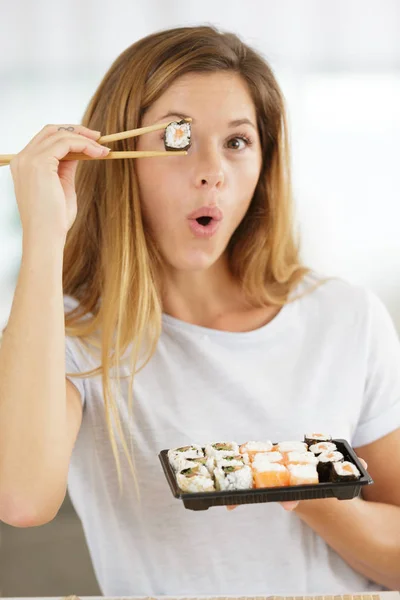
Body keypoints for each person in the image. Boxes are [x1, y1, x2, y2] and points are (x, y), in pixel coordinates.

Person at [0, 24, 399, 597]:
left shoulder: (345, 316)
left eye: (237, 141)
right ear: (118, 158)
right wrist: (44, 233)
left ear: (265, 163)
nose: (212, 170)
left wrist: (301, 491)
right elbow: (21, 500)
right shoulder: (66, 335)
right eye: (177, 137)